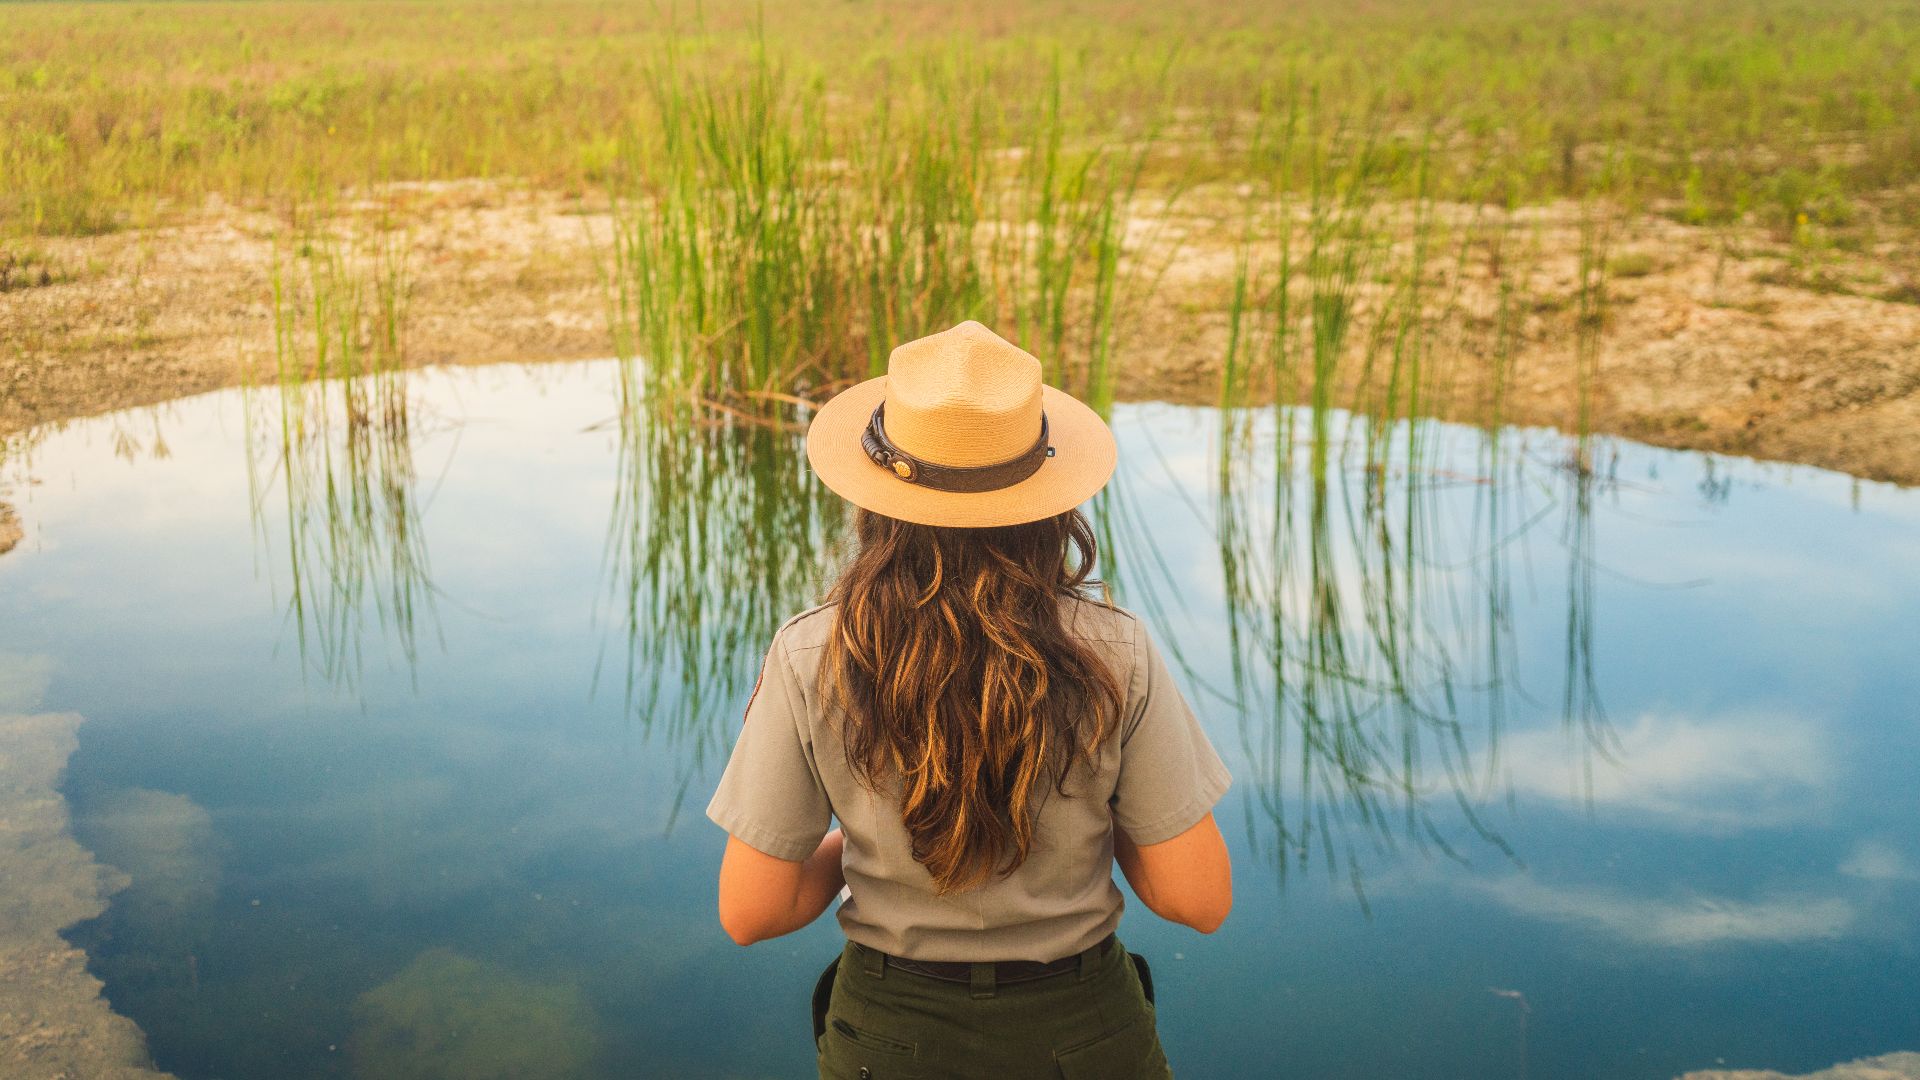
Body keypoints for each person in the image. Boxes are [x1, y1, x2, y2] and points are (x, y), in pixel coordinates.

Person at [705, 321, 1234, 1079]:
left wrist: (868, 849)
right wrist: (1093, 826)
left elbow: (753, 911)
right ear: (1047, 495)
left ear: (878, 496)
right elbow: (1198, 901)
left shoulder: (811, 652)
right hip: (1086, 1038)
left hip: (886, 1044)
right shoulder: (1115, 652)